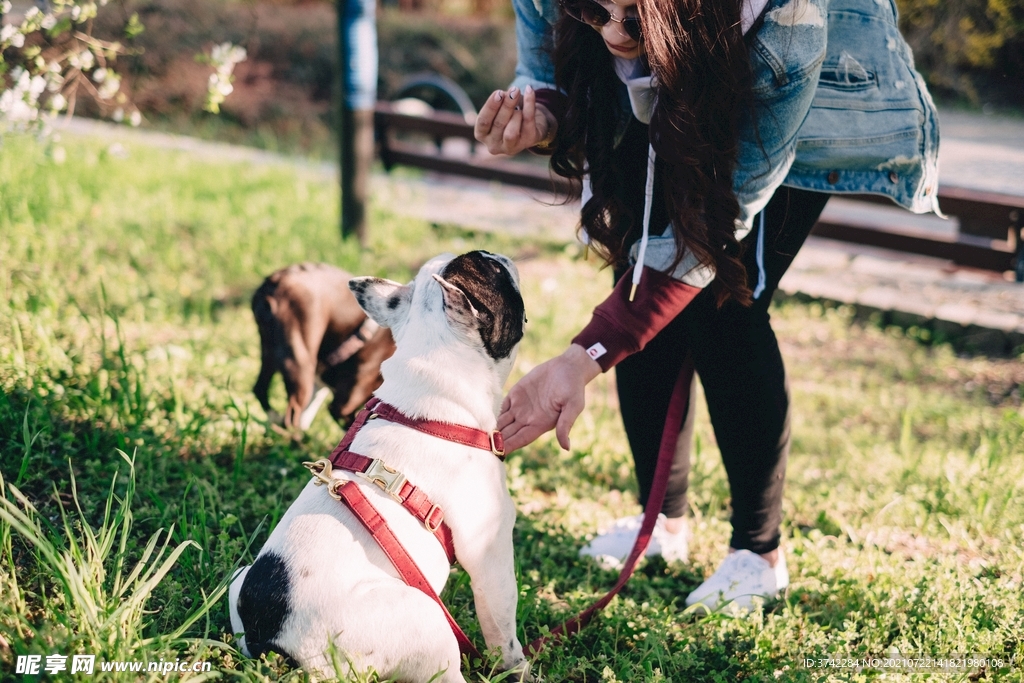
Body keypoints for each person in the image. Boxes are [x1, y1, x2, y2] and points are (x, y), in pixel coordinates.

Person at [474, 0, 939, 609]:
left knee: (724, 301)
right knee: (640, 275)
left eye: (630, 19)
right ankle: (661, 521)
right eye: (590, 11)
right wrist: (541, 118)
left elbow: (711, 241)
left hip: (794, 104)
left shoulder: (788, 27)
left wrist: (580, 359)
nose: (612, 35)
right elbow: (544, 72)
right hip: (676, 83)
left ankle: (758, 554)